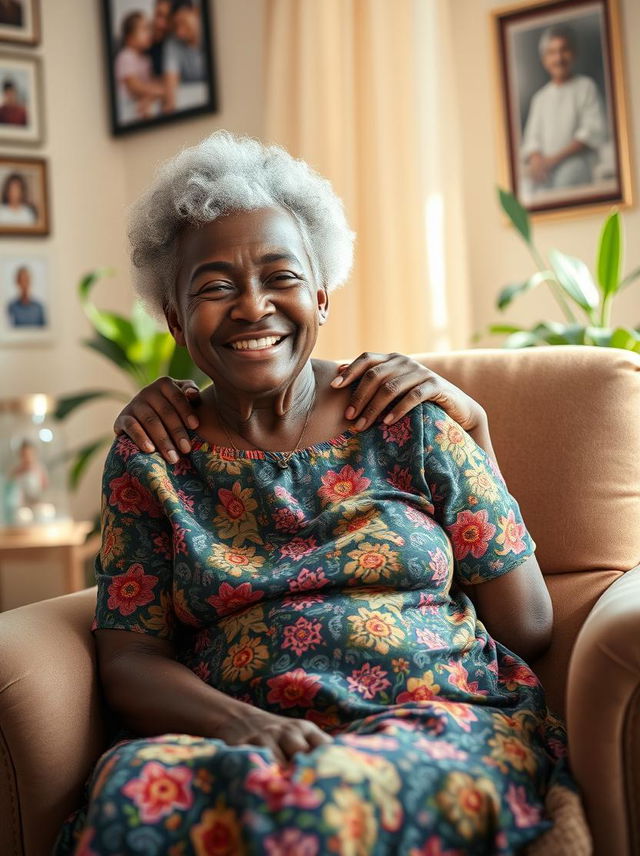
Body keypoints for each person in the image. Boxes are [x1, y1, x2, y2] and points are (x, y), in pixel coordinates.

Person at [55, 132, 583, 855]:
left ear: (321, 295)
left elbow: (526, 627)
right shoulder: (155, 455)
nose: (251, 306)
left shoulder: (409, 419)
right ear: (175, 320)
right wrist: (245, 727)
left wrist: (478, 434)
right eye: (213, 286)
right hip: (232, 737)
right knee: (133, 802)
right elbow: (130, 659)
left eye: (281, 276)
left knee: (326, 808)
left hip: (432, 721)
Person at [521, 25, 606, 193]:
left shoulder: (585, 87)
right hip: (545, 168)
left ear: (573, 53)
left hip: (576, 162)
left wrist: (553, 160)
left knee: (564, 184)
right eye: (552, 52)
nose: (558, 58)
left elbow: (591, 131)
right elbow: (532, 139)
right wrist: (538, 160)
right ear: (544, 59)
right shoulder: (540, 98)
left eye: (563, 50)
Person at [114, 11, 167, 122]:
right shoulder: (126, 56)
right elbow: (134, 86)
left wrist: (150, 96)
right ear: (129, 38)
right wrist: (157, 91)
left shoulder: (145, 59)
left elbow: (149, 83)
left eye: (149, 29)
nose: (149, 33)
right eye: (144, 29)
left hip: (138, 102)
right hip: (126, 105)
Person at [163, 0, 207, 111]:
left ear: (196, 11)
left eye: (183, 22)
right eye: (176, 26)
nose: (180, 32)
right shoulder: (172, 43)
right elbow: (171, 87)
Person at [148, 0, 177, 78]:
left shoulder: (174, 46)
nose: (160, 24)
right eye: (158, 14)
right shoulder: (138, 39)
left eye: (167, 19)